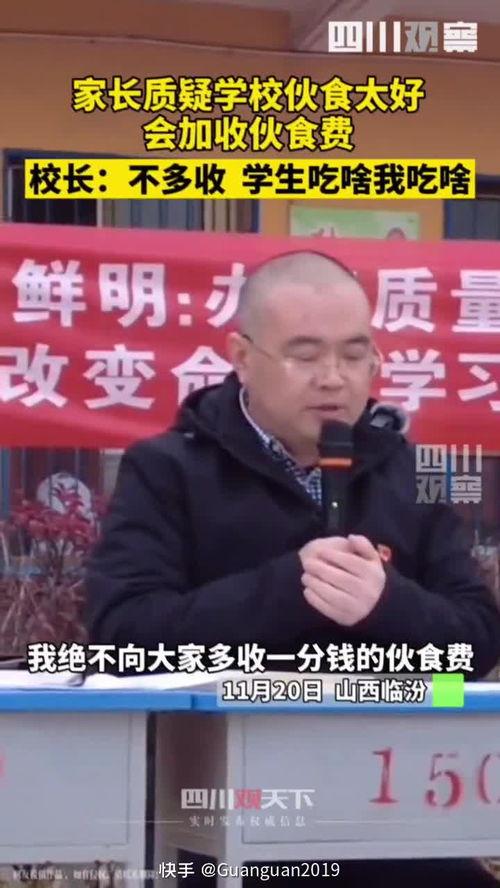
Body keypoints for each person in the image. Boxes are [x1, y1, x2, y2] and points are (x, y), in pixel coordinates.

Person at [85, 251, 500, 887]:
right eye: (305, 356)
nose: (333, 379)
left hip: (390, 809)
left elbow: (478, 639)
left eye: (355, 355)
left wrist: (388, 605)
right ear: (242, 357)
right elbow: (123, 636)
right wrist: (284, 590)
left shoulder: (411, 471)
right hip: (224, 810)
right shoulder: (167, 469)